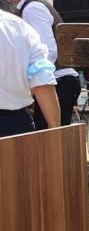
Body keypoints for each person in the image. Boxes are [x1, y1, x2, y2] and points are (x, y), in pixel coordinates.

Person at [0, 0, 81, 128]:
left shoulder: (32, 9)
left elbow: (48, 51)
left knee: (50, 138)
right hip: (57, 82)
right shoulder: (34, 7)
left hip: (57, 82)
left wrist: (30, 86)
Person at [0, 10, 60, 138]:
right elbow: (42, 81)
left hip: (15, 122)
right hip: (15, 124)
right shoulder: (20, 27)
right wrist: (55, 131)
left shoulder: (19, 26)